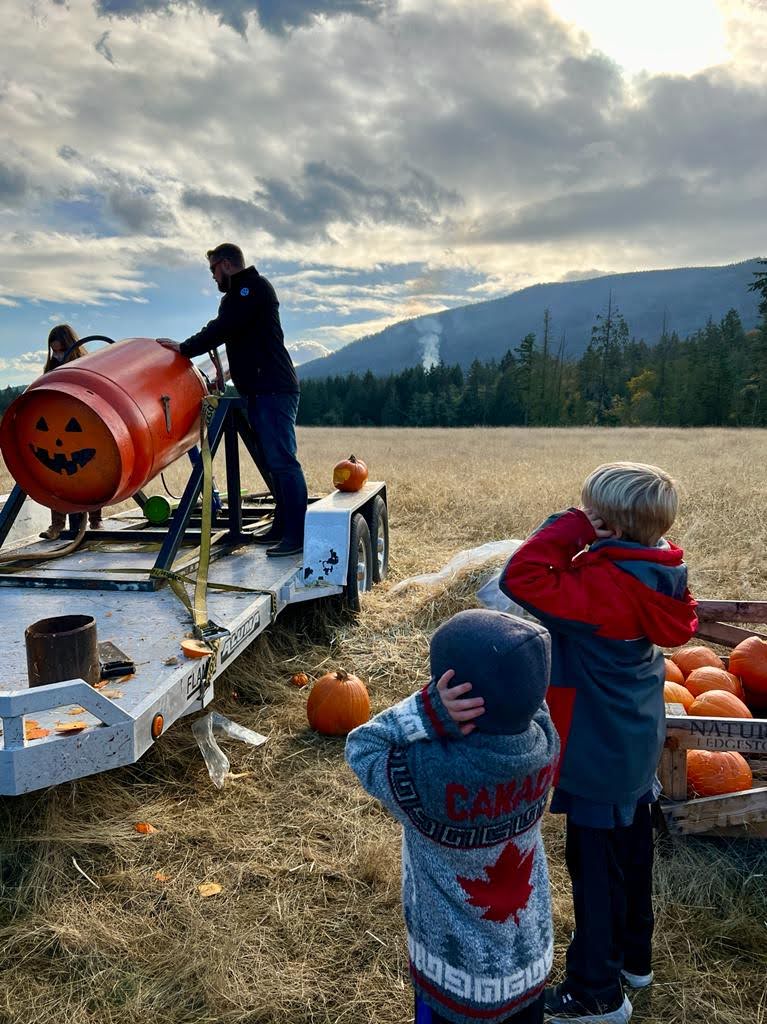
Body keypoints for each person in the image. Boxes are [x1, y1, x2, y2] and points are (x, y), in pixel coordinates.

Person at [499, 462, 698, 1024]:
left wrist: (568, 527)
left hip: (595, 745)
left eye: (589, 511)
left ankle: (596, 991)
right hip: (633, 740)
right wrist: (601, 532)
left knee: (594, 872)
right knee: (632, 852)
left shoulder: (601, 587)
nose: (579, 516)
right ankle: (636, 958)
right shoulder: (659, 569)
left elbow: (522, 576)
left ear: (605, 523)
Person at [345, 608, 560, 1024]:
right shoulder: (544, 746)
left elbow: (363, 745)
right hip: (528, 967)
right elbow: (535, 702)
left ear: (452, 693)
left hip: (453, 984)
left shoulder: (427, 772)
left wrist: (426, 712)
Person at [156, 243, 308, 557]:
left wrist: (184, 348)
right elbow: (236, 339)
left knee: (282, 461)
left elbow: (222, 329)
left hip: (273, 389)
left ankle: (297, 534)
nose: (213, 277)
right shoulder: (240, 295)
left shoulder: (250, 289)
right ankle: (282, 526)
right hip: (260, 390)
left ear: (226, 264)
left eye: (213, 269)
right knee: (272, 461)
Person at [38, 325, 103, 540]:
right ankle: (56, 525)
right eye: (53, 350)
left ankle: (95, 520)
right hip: (58, 427)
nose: (56, 354)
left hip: (83, 428)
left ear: (69, 346)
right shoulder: (50, 369)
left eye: (60, 350)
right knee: (56, 474)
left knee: (89, 474)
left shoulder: (86, 365)